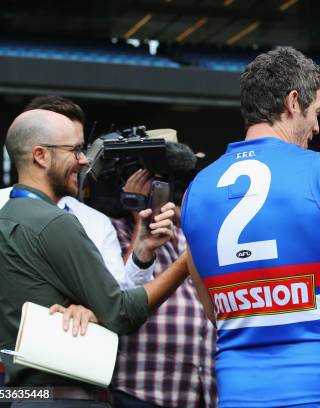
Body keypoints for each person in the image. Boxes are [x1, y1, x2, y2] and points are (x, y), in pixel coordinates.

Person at [181, 46, 320, 407]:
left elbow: (212, 306)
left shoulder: (195, 190)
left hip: (237, 390)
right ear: (293, 101)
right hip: (318, 385)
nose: (316, 127)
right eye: (316, 113)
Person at [0, 109, 191, 407]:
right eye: (75, 150)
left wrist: (91, 309)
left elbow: (75, 301)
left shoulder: (3, 219)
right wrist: (186, 262)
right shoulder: (54, 222)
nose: (84, 160)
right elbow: (120, 312)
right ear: (41, 156)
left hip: (24, 396)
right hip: (65, 399)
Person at [111, 142, 216, 408]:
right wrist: (139, 216)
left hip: (199, 392)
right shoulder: (113, 231)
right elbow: (118, 298)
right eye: (154, 180)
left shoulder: (187, 233)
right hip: (141, 390)